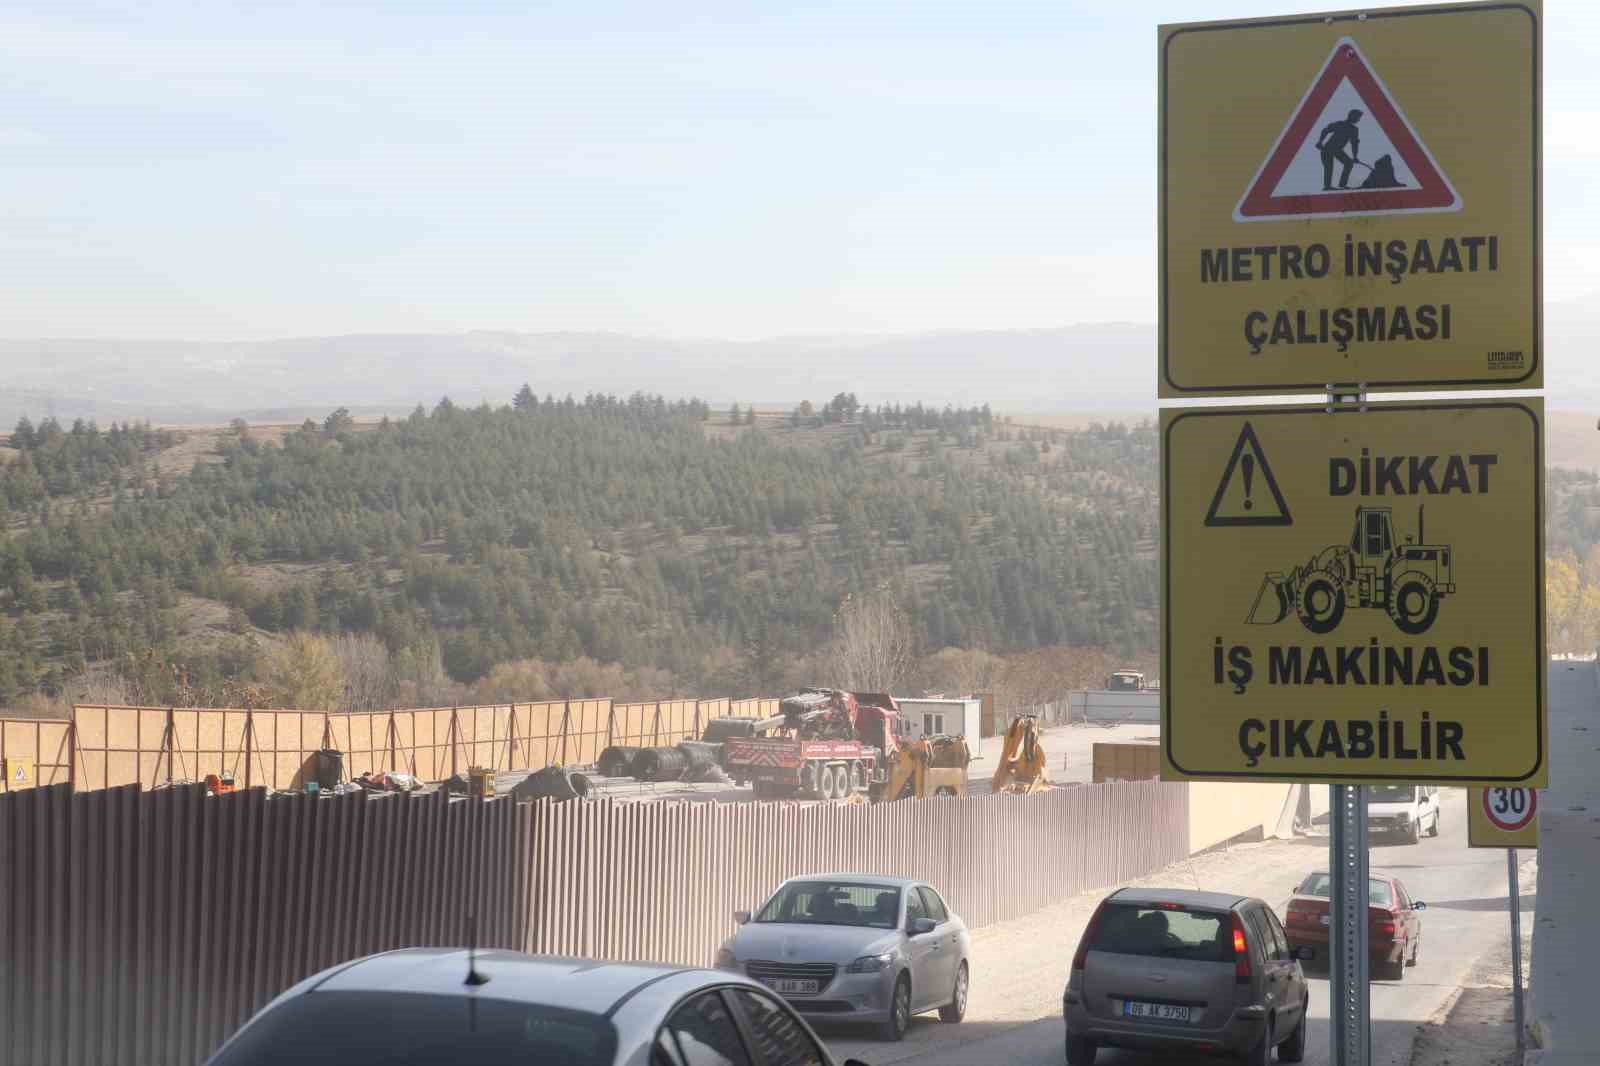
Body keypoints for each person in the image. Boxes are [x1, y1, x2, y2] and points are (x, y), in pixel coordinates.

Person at [1316, 109, 1363, 190]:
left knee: (1349, 163)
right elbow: (1325, 130)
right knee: (1329, 167)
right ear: (1353, 116)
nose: (1359, 120)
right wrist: (1320, 142)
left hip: (1337, 150)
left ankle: (1342, 185)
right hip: (1327, 149)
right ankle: (1327, 187)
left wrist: (1355, 157)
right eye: (1358, 118)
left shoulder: (1354, 129)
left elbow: (1354, 144)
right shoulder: (1339, 124)